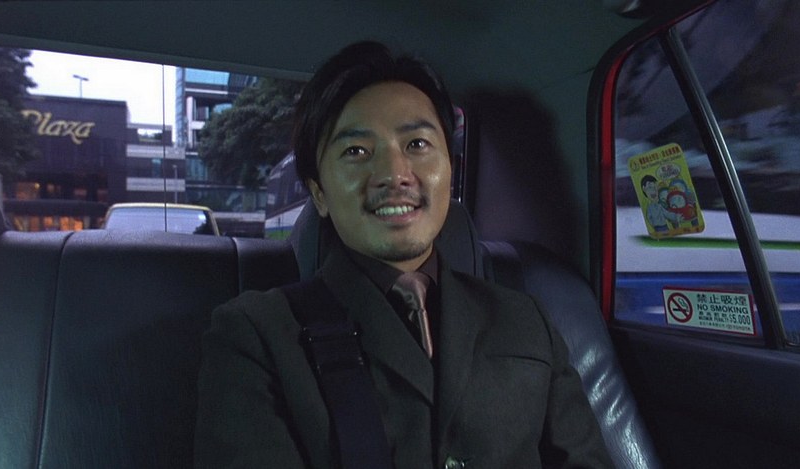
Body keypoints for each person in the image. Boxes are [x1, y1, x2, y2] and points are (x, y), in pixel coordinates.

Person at [194, 41, 614, 468]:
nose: (395, 175)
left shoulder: (526, 319)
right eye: (356, 151)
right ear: (319, 192)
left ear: (450, 168)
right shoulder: (255, 335)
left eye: (417, 144)